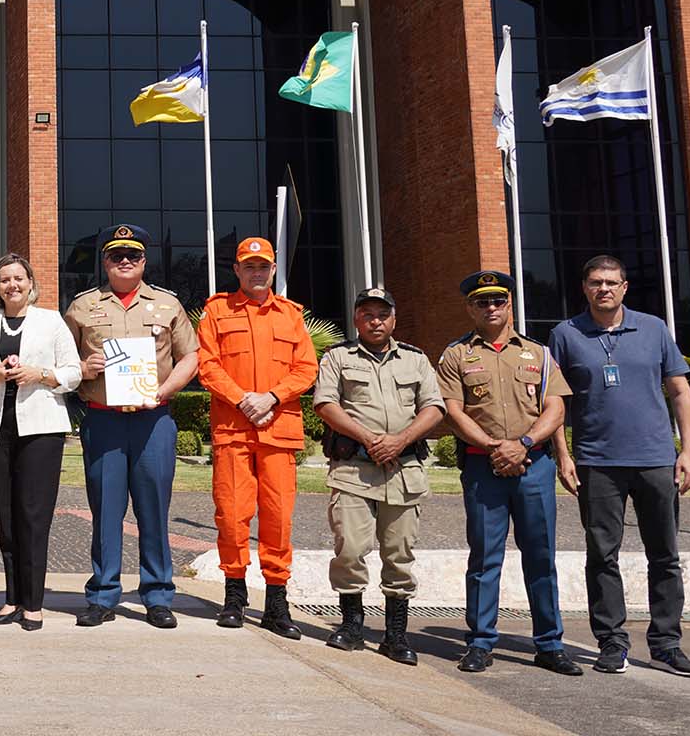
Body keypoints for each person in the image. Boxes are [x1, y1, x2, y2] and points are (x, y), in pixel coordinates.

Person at [548, 255, 690, 678]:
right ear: (584, 287)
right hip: (598, 463)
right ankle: (612, 643)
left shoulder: (653, 328)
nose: (604, 289)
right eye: (596, 282)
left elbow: (680, 392)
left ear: (624, 287)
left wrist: (687, 452)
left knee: (665, 556)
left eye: (611, 282)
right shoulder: (565, 334)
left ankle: (667, 645)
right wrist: (564, 454)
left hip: (656, 460)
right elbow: (555, 403)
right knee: (602, 555)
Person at [437, 270, 581, 677]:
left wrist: (525, 444)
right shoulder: (456, 355)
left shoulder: (537, 352)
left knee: (541, 556)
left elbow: (555, 407)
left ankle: (550, 644)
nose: (491, 308)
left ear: (509, 303)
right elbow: (453, 410)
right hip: (484, 467)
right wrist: (493, 447)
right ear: (470, 308)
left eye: (497, 300)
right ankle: (481, 642)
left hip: (533, 464)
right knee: (485, 557)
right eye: (482, 302)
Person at [63, 223, 199, 629]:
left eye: (133, 255)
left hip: (153, 420)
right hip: (103, 420)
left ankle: (157, 594)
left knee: (153, 508)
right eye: (116, 255)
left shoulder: (168, 305)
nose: (125, 262)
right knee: (106, 509)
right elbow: (64, 359)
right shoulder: (82, 307)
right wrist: (83, 369)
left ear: (144, 260)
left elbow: (190, 357)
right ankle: (103, 594)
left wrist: (164, 390)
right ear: (104, 261)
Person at [311, 287, 444, 664]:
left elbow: (434, 407)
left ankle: (395, 636)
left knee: (399, 554)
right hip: (354, 469)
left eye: (382, 315)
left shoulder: (416, 359)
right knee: (350, 549)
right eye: (367, 314)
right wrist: (370, 439)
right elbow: (325, 403)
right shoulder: (338, 357)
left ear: (394, 319)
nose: (376, 321)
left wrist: (399, 440)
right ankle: (352, 626)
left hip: (403, 470)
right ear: (356, 319)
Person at [196, 236, 318, 637]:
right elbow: (207, 365)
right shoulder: (217, 311)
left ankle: (276, 604)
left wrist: (271, 397)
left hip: (277, 430)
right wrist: (242, 399)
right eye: (249, 266)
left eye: (263, 266)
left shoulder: (291, 315)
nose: (256, 272)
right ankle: (234, 596)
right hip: (233, 429)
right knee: (232, 516)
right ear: (237, 270)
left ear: (273, 268)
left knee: (278, 520)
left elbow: (306, 369)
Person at [0, 253, 82, 631]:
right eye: (4, 280)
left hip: (41, 429)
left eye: (18, 278)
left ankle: (33, 602)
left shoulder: (51, 321)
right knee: (7, 518)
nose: (12, 285)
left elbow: (73, 372)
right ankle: (11, 598)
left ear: (31, 283)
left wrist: (40, 374)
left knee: (33, 516)